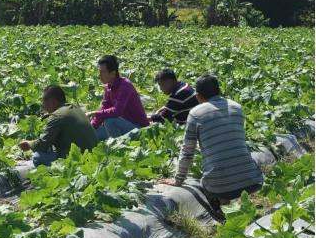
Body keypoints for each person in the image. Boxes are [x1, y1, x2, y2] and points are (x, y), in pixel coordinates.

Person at [160, 75, 263, 211]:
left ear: (198, 96)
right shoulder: (236, 107)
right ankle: (241, 206)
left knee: (215, 185)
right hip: (253, 181)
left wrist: (178, 180)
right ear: (218, 91)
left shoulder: (196, 114)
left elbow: (187, 151)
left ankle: (222, 210)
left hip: (219, 187)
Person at [19, 85, 98, 167]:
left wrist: (29, 144)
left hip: (79, 160)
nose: (43, 106)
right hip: (94, 157)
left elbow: (42, 145)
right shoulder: (75, 108)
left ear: (53, 102)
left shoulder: (57, 116)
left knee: (37, 157)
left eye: (44, 102)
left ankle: (54, 177)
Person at [87, 55, 150, 140]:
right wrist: (92, 127)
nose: (99, 75)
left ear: (113, 73)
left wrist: (94, 113)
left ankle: (119, 148)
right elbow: (104, 109)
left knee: (109, 121)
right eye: (99, 71)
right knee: (94, 133)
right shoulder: (108, 87)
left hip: (139, 129)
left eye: (102, 72)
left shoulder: (125, 85)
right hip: (124, 126)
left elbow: (117, 111)